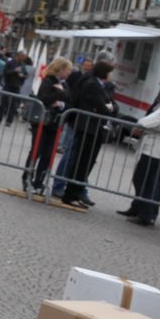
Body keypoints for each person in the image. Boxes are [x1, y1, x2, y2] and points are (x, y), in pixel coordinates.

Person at [53, 56, 116, 208]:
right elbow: (102, 106)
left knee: (86, 162)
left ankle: (77, 191)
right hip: (86, 127)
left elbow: (110, 103)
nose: (111, 76)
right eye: (110, 72)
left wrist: (109, 107)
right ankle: (70, 192)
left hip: (93, 129)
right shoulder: (92, 84)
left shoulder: (99, 85)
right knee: (79, 160)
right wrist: (108, 108)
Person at [120, 88, 160, 226]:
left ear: (159, 98)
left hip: (152, 150)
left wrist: (140, 128)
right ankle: (147, 212)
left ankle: (145, 213)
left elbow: (144, 122)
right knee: (153, 183)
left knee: (142, 180)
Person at [23, 57, 73, 194]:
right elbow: (44, 98)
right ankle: (27, 179)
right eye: (67, 70)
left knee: (48, 154)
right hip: (42, 122)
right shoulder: (48, 80)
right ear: (60, 69)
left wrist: (61, 102)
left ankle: (39, 182)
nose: (69, 73)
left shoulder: (66, 85)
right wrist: (59, 93)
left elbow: (69, 102)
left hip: (55, 124)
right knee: (36, 151)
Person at [0, 51, 32, 125]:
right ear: (18, 56)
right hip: (8, 85)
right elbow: (5, 73)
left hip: (16, 87)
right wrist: (14, 71)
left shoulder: (23, 65)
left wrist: (23, 76)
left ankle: (9, 121)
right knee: (3, 103)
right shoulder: (10, 63)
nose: (23, 59)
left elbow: (26, 75)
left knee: (13, 105)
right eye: (23, 57)